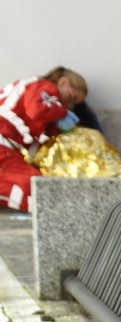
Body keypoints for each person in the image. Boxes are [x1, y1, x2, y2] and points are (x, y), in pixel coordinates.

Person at [0, 67, 87, 213]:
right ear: (63, 82)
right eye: (72, 98)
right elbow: (39, 108)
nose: (71, 105)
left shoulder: (36, 87)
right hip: (4, 142)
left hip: (6, 144)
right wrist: (63, 112)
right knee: (34, 186)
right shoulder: (47, 89)